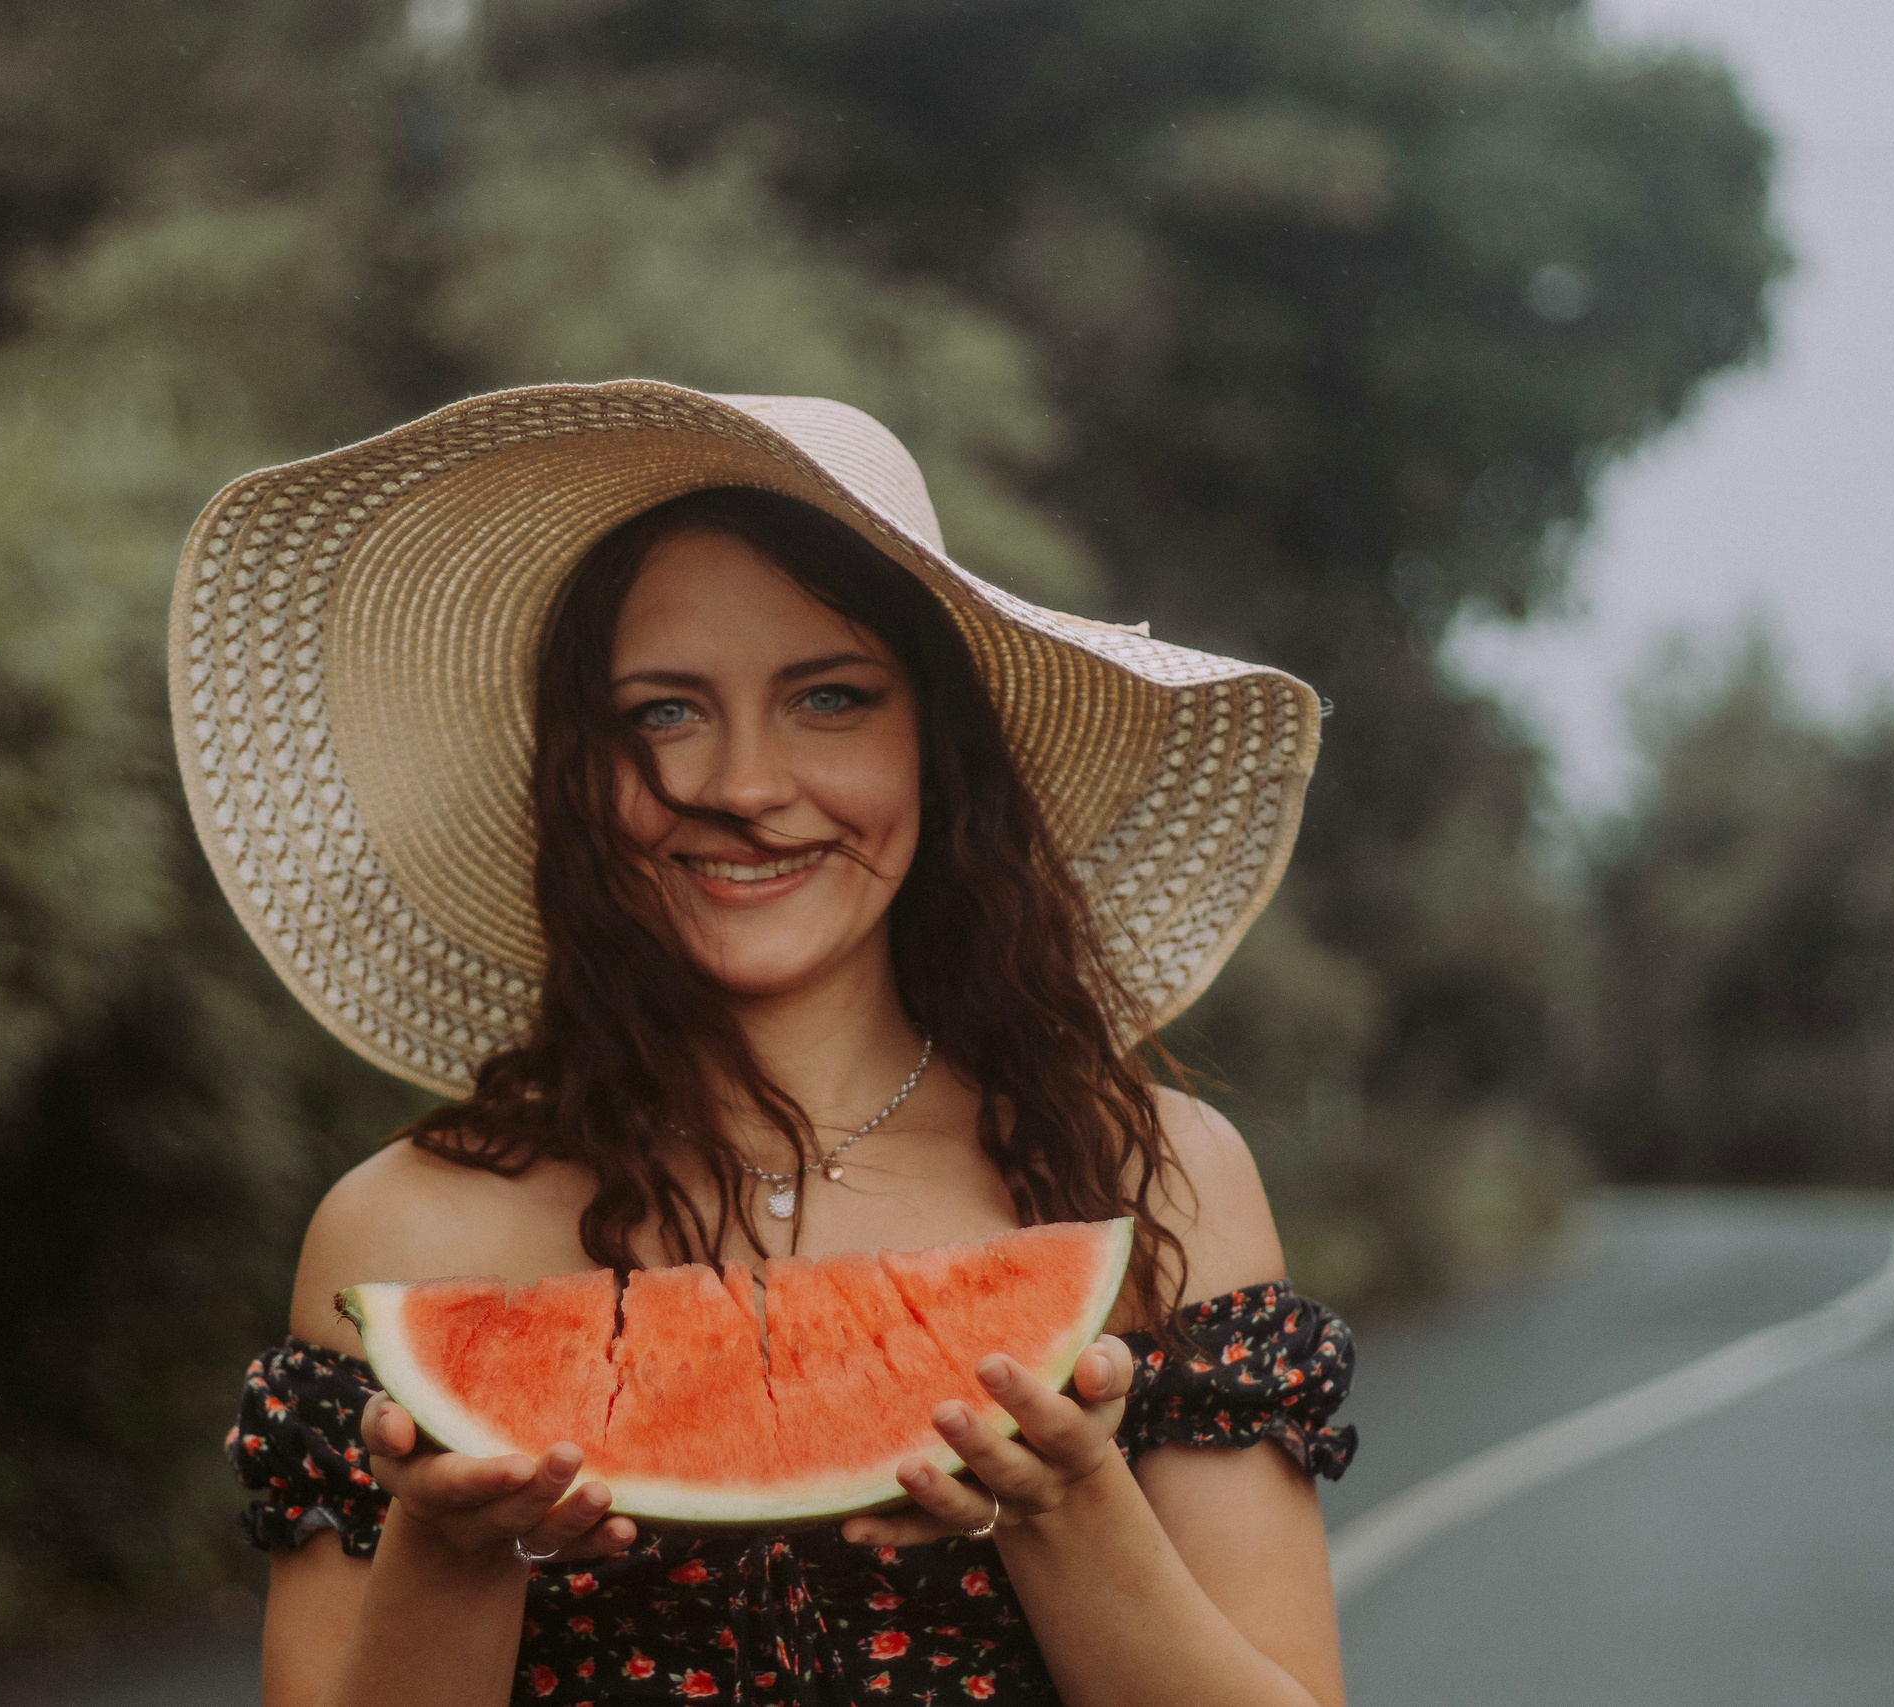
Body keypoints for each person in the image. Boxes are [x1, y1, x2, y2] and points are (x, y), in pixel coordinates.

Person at [180, 384, 1355, 1707]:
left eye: (830, 698)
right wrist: (452, 1561)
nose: (741, 788)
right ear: (580, 773)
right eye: (664, 713)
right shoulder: (407, 1240)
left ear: (937, 749)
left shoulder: (1156, 1183)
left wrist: (1068, 1509)